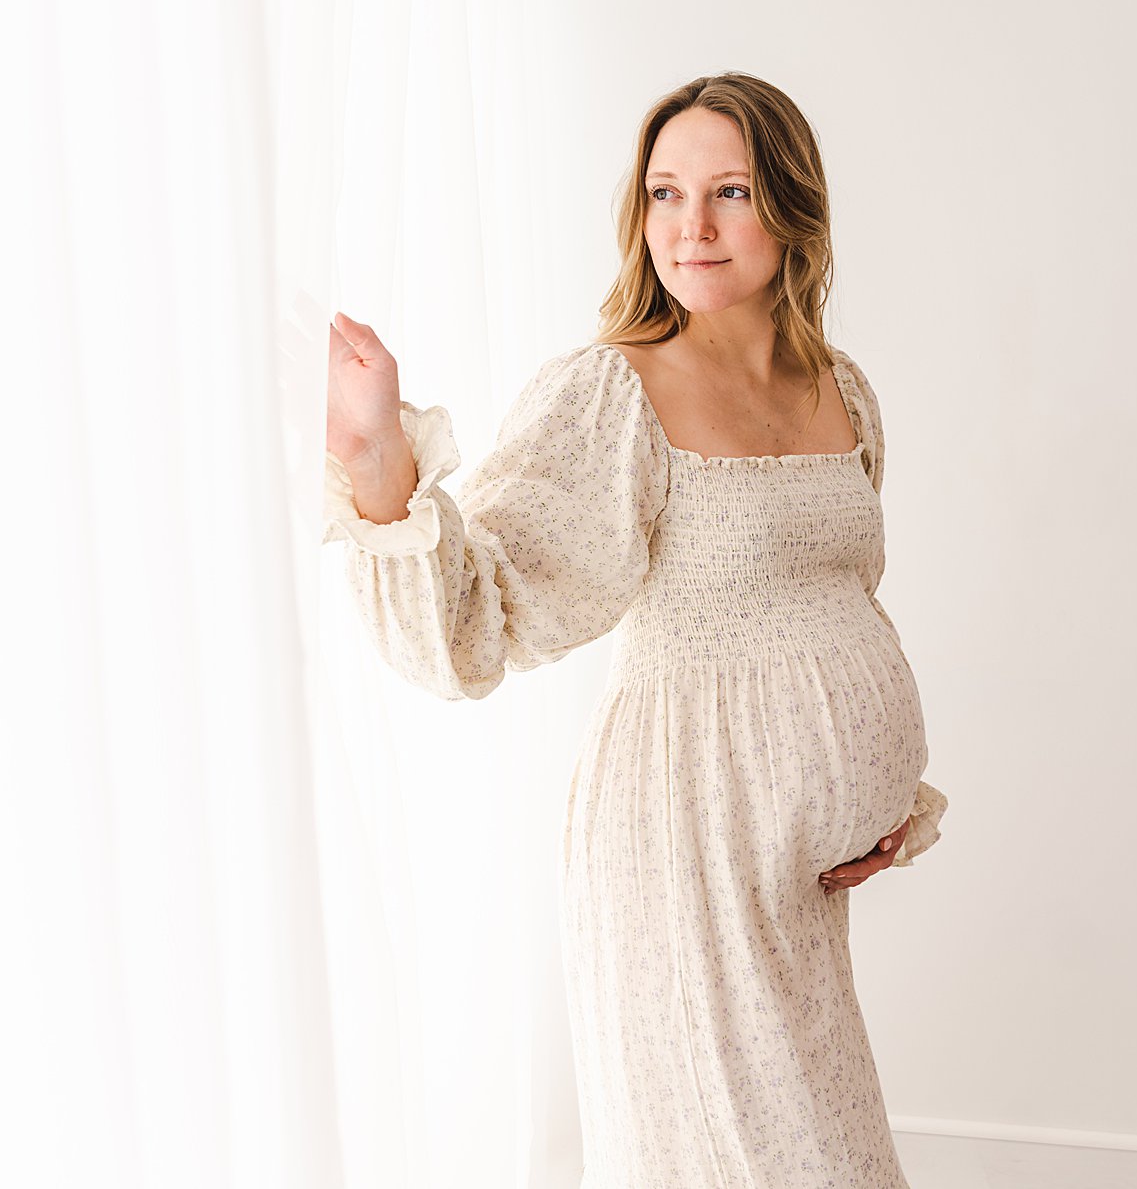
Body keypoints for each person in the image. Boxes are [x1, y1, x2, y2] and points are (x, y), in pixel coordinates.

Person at [322, 71, 949, 1188]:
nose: (688, 227)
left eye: (727, 192)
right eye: (663, 194)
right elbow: (480, 616)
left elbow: (840, 602)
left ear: (792, 209)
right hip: (679, 844)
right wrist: (377, 456)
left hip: (792, 879)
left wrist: (887, 795)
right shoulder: (616, 395)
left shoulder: (840, 389)